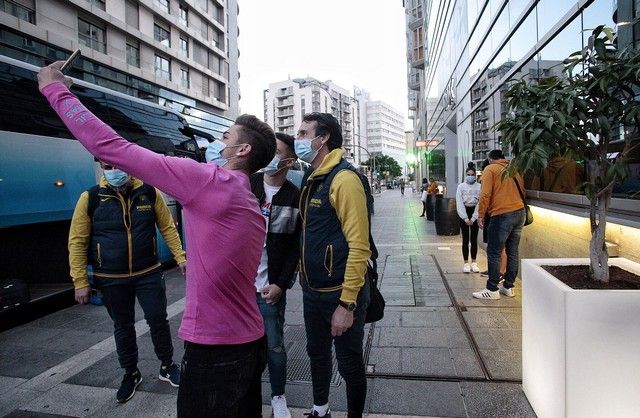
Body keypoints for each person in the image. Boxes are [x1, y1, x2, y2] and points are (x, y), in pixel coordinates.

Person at [37, 61, 276, 416]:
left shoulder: (210, 182)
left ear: (242, 152)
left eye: (225, 138)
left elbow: (112, 148)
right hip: (249, 342)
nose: (216, 143)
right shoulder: (246, 199)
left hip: (215, 352)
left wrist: (54, 88)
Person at [69, 161, 186, 403]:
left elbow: (167, 227)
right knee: (123, 326)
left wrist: (180, 256)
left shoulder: (149, 192)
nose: (114, 170)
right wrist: (80, 280)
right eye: (107, 166)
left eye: (117, 164)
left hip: (148, 273)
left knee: (158, 319)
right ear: (101, 167)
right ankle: (130, 373)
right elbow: (77, 241)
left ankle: (167, 365)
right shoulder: (90, 198)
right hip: (111, 278)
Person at [295, 113, 371, 418]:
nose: (297, 139)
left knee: (349, 363)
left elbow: (359, 246)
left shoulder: (344, 179)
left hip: (341, 293)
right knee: (316, 354)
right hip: (312, 290)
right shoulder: (311, 178)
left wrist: (347, 304)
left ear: (322, 138)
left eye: (303, 133)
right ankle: (320, 409)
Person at [250, 133, 301, 418]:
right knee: (243, 346)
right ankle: (248, 393)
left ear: (289, 161)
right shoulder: (248, 184)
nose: (270, 155)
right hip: (240, 287)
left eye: (277, 152)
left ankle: (278, 396)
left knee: (274, 345)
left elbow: (295, 246)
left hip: (269, 288)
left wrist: (281, 284)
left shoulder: (294, 197)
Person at [473, 149, 525, 300]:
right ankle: (509, 287)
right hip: (519, 212)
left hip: (501, 214)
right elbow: (523, 190)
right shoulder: (514, 169)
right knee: (513, 251)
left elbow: (485, 194)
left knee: (494, 251)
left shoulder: (490, 169)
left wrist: (481, 214)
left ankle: (492, 289)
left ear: (490, 159)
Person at [456, 164, 481, 273]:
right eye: (468, 175)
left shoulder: (479, 186)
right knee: (465, 239)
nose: (470, 176)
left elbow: (481, 202)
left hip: (475, 210)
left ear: (475, 175)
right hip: (464, 211)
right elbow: (459, 202)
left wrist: (475, 217)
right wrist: (465, 218)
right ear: (466, 175)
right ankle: (466, 263)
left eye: (472, 174)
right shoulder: (461, 187)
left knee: (474, 239)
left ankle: (474, 262)